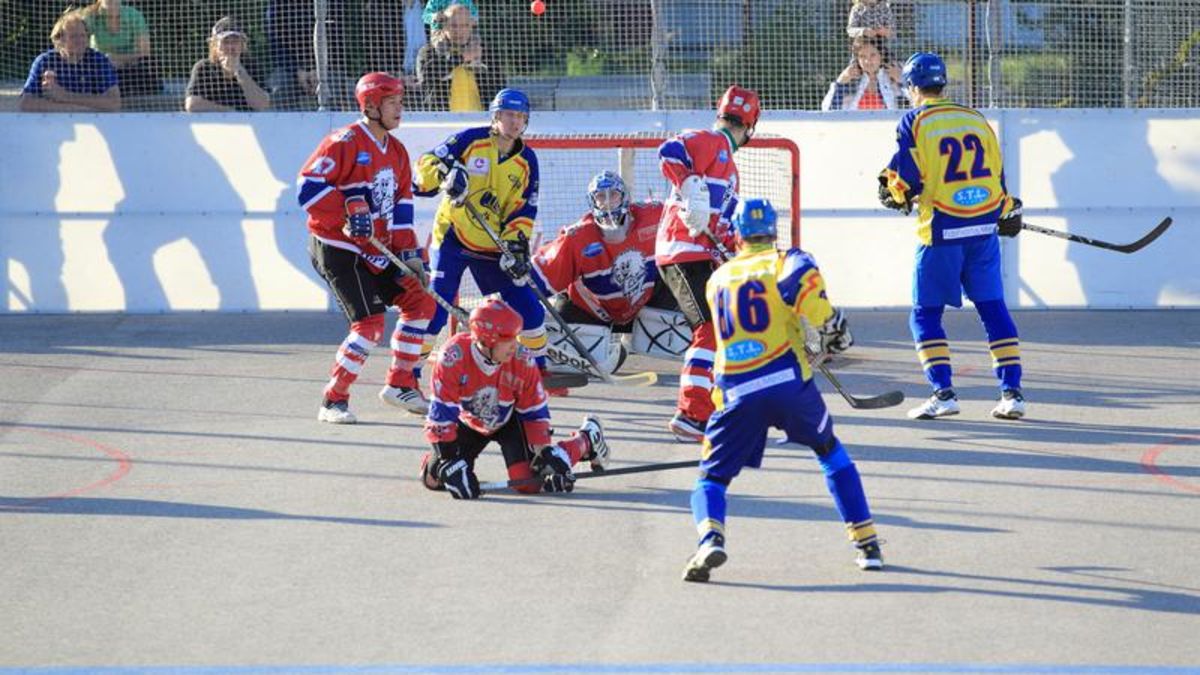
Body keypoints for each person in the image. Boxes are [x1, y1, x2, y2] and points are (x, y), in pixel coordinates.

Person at [682, 198, 879, 583]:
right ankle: (867, 543)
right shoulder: (787, 260)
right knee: (829, 451)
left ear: (737, 233)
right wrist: (832, 329)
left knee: (711, 478)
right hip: (787, 382)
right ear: (774, 230)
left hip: (736, 392)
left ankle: (709, 538)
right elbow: (806, 294)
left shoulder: (717, 278)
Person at [878, 52, 1027, 420]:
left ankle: (943, 393)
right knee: (994, 309)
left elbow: (907, 180)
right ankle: (1013, 394)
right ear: (942, 82)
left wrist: (891, 192)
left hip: (941, 232)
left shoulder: (915, 119)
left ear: (913, 87)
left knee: (925, 315)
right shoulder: (976, 119)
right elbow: (997, 179)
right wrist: (1007, 210)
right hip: (982, 231)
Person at [297, 72, 436, 423]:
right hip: (338, 247)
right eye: (392, 103)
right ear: (371, 106)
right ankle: (333, 400)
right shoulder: (343, 141)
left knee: (421, 302)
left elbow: (403, 208)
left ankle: (401, 384)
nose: (399, 109)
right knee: (370, 326)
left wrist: (410, 254)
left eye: (400, 102)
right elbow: (307, 188)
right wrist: (346, 208)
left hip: (377, 247)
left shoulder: (399, 152)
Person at [414, 88, 551, 375]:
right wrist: (445, 176)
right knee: (435, 310)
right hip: (453, 237)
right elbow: (426, 167)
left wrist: (515, 246)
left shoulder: (528, 161)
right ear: (496, 116)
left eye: (521, 116)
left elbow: (524, 212)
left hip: (491, 246)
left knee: (530, 310)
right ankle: (407, 375)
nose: (515, 122)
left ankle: (537, 374)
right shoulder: (470, 140)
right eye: (510, 115)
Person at [420, 298, 611, 499]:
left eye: (516, 337)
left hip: (511, 420)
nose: (515, 345)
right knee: (434, 480)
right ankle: (442, 464)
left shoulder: (523, 359)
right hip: (469, 421)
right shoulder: (453, 356)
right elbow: (441, 413)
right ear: (487, 340)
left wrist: (545, 453)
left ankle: (586, 440)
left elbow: (534, 411)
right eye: (507, 339)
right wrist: (449, 461)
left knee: (530, 483)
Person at [530, 171, 678, 374]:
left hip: (642, 304)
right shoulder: (577, 237)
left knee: (679, 279)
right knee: (563, 344)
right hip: (590, 309)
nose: (607, 202)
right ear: (592, 201)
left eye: (613, 195)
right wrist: (514, 299)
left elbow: (684, 226)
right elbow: (540, 276)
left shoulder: (654, 216)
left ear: (624, 197)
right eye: (600, 197)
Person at [19, 8, 121, 113]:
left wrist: (65, 96)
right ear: (59, 39)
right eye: (74, 36)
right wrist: (75, 109)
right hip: (52, 123)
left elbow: (114, 102)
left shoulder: (99, 61)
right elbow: (26, 103)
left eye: (83, 36)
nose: (80, 41)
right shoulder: (45, 61)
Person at [415, 2, 502, 111]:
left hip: (480, 119)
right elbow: (429, 81)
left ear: (471, 26)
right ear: (444, 26)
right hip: (443, 121)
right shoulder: (428, 52)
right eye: (453, 25)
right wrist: (462, 57)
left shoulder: (485, 51)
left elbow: (498, 88)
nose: (459, 31)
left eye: (465, 25)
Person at [185, 17, 271, 112]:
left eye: (235, 41)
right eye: (225, 42)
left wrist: (240, 72)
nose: (230, 47)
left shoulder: (252, 66)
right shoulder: (203, 67)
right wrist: (229, 112)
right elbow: (191, 105)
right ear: (214, 46)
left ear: (242, 45)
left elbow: (262, 105)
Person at [82, 0, 160, 96]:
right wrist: (105, 61)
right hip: (100, 66)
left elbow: (145, 53)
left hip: (130, 65)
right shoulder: (90, 16)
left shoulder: (134, 15)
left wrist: (119, 59)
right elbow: (81, 48)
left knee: (149, 64)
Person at [821, 37, 906, 111]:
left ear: (882, 55)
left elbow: (914, 107)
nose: (867, 61)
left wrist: (903, 81)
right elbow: (828, 110)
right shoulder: (851, 81)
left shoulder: (893, 77)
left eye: (872, 55)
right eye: (862, 56)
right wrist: (839, 84)